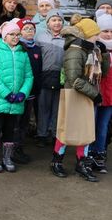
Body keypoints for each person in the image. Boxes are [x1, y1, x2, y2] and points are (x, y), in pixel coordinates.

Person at [50, 15, 103, 182]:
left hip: (85, 94)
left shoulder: (88, 50)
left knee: (85, 129)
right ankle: (56, 161)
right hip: (74, 94)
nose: (98, 37)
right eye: (95, 34)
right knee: (67, 129)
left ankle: (82, 163)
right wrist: (95, 94)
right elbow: (74, 80)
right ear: (87, 34)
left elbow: (103, 72)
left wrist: (102, 55)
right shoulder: (75, 51)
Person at [0, 21, 33, 173]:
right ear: (4, 36)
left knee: (10, 129)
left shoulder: (23, 54)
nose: (15, 37)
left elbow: (28, 76)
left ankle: (7, 157)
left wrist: (23, 93)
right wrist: (6, 93)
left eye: (18, 34)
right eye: (12, 34)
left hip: (16, 101)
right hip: (1, 99)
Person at [34, 9, 65, 147]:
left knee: (57, 108)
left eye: (59, 20)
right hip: (44, 76)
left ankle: (54, 133)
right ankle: (42, 134)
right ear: (48, 23)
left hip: (61, 77)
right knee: (43, 107)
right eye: (53, 20)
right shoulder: (40, 37)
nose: (57, 23)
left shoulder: (67, 38)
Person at [13, 17, 42, 164]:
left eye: (32, 29)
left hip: (31, 93)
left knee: (24, 122)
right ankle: (11, 149)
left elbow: (38, 71)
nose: (29, 31)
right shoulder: (18, 48)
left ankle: (19, 148)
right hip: (19, 93)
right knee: (16, 122)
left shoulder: (37, 48)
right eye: (26, 29)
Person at [88, 10, 112, 173]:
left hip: (110, 95)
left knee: (103, 126)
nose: (109, 34)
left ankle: (99, 154)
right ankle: (87, 155)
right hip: (95, 93)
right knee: (91, 125)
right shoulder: (93, 48)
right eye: (105, 31)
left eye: (111, 31)